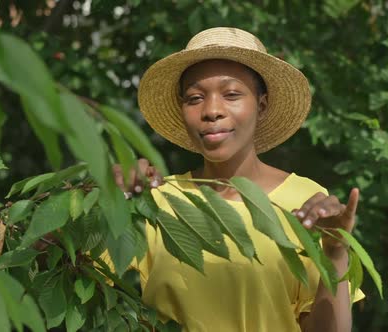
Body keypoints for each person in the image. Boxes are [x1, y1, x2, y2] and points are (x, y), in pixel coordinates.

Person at [106, 27, 364, 332]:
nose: (212, 110)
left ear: (262, 105)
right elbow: (59, 267)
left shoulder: (307, 204)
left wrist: (335, 253)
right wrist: (101, 200)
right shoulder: (157, 199)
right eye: (194, 98)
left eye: (231, 95)